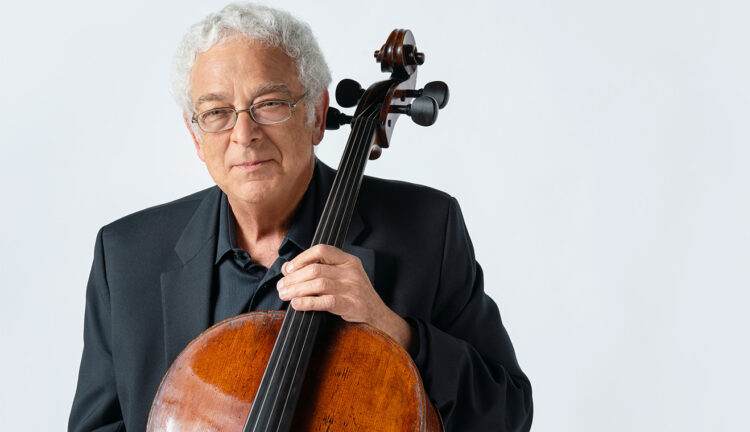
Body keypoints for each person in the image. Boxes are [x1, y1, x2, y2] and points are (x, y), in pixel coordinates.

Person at [69, 3, 533, 431]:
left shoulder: (427, 228)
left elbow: (507, 413)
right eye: (216, 113)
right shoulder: (127, 257)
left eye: (269, 104)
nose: (243, 134)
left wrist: (398, 333)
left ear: (316, 114)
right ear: (196, 136)